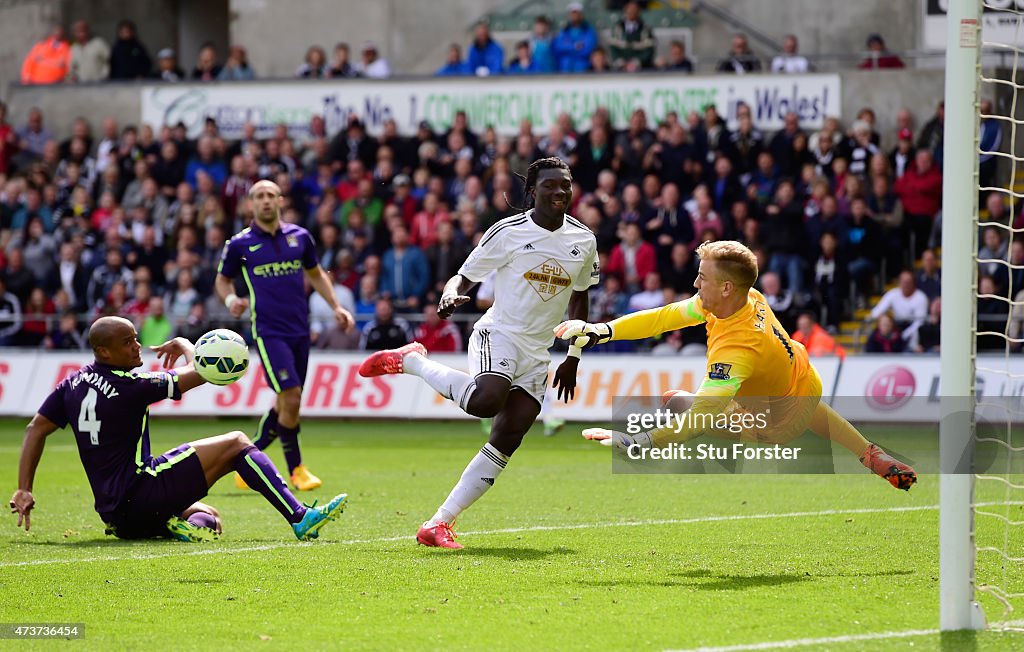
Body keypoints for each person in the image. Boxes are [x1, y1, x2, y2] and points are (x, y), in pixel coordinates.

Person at [358, 158, 599, 548]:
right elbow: (464, 275)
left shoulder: (583, 239)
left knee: (509, 435)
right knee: (487, 401)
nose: (560, 193)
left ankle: (438, 524)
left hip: (539, 353)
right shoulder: (507, 232)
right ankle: (412, 361)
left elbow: (581, 298)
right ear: (532, 192)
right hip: (499, 334)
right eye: (551, 186)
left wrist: (573, 356)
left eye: (566, 186)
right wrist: (451, 292)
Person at [556, 240, 916, 491]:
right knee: (791, 404)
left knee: (683, 406)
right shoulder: (747, 296)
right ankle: (871, 454)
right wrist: (601, 330)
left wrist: (639, 441)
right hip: (805, 381)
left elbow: (699, 419)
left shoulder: (736, 350)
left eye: (703, 278)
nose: (695, 283)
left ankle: (672, 457)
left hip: (775, 422)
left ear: (726, 287)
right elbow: (664, 318)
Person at [9, 316, 348, 541]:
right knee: (236, 442)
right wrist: (187, 344)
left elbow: (35, 429)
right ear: (103, 351)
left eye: (135, 338)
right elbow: (205, 371)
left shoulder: (71, 384)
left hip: (116, 514)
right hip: (141, 491)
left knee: (209, 516)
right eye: (127, 342)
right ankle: (299, 516)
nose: (137, 345)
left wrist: (24, 488)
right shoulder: (133, 386)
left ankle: (177, 527)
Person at [216, 180, 354, 491]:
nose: (265, 201)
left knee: (286, 401)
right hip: (268, 332)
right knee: (290, 396)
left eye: (270, 196)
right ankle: (297, 470)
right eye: (258, 197)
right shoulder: (240, 244)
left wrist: (336, 306)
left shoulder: (300, 237)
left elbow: (316, 274)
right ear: (251, 204)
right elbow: (222, 281)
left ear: (280, 201)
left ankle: (248, 462)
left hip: (299, 330)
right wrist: (230, 300)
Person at [607, 1, 656, 71]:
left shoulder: (645, 29)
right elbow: (613, 49)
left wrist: (636, 62)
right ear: (625, 10)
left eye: (634, 9)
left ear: (639, 11)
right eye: (629, 8)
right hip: (621, 69)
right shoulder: (617, 28)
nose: (632, 11)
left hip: (641, 70)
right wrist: (621, 62)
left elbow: (649, 51)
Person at [552, 2, 598, 72]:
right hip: (565, 71)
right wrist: (574, 46)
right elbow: (558, 46)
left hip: (582, 69)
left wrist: (567, 49)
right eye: (572, 13)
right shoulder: (564, 31)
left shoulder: (589, 31)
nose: (574, 16)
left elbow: (587, 50)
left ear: (581, 15)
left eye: (576, 13)